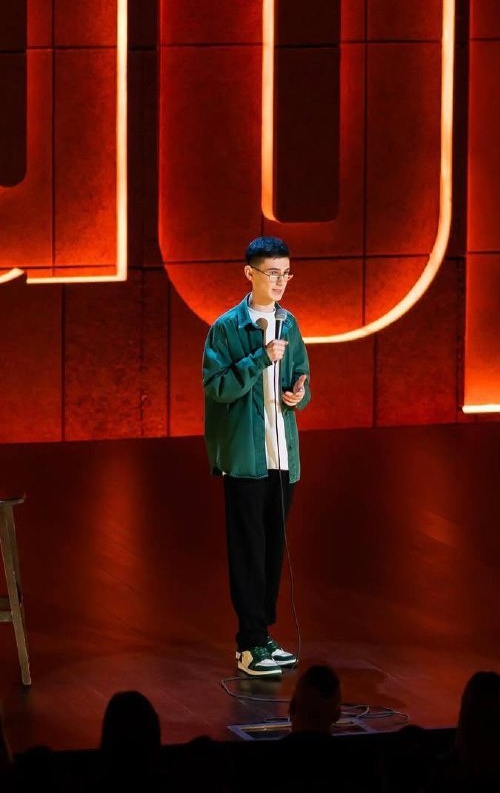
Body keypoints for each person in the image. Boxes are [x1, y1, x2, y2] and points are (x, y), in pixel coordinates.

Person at [202, 235, 311, 677]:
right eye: (272, 273)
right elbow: (217, 386)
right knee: (248, 550)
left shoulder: (289, 323)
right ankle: (248, 645)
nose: (280, 281)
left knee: (271, 550)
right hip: (246, 457)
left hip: (281, 454)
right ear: (250, 273)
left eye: (286, 273)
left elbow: (302, 376)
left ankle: (263, 636)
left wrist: (298, 394)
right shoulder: (227, 328)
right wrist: (260, 360)